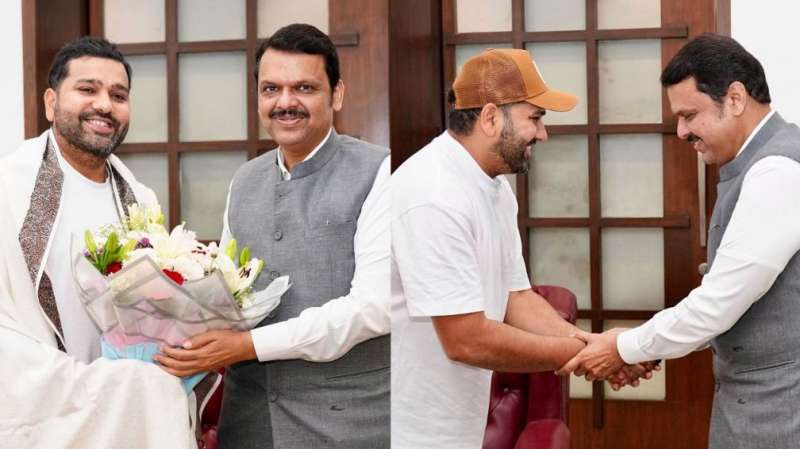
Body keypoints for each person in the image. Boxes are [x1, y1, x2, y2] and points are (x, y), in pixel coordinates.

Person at [390, 48, 652, 449]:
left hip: (459, 422)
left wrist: (591, 345)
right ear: (490, 117)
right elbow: (465, 339)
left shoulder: (494, 187)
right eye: (535, 118)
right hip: (413, 430)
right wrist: (589, 354)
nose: (543, 134)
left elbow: (516, 297)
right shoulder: (433, 195)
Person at [558, 33, 800, 449]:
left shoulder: (776, 171)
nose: (681, 131)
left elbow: (720, 302)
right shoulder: (756, 164)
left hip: (780, 411)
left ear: (736, 98)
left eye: (690, 115)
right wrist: (645, 348)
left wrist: (626, 347)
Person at [155, 24, 390, 449]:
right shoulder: (244, 180)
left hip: (347, 425)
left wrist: (245, 345)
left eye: (304, 88)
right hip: (249, 423)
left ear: (336, 94)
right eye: (271, 89)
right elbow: (228, 291)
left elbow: (371, 309)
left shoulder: (381, 173)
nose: (285, 102)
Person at [0, 36, 193, 449]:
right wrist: (74, 383)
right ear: (51, 102)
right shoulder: (8, 189)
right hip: (45, 410)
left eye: (118, 95)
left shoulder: (141, 200)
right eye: (87, 89)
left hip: (123, 410)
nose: (104, 105)